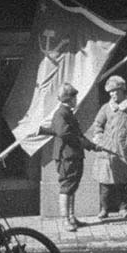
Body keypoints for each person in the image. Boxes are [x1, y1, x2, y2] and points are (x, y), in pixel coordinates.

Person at [40, 82, 101, 232]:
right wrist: (86, 144)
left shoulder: (66, 113)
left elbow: (73, 134)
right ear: (69, 98)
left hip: (72, 155)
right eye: (75, 97)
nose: (76, 100)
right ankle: (65, 220)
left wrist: (92, 146)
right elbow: (64, 133)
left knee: (72, 186)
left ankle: (72, 217)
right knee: (66, 187)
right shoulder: (61, 113)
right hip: (66, 156)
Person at [90, 75, 127, 222]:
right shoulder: (105, 108)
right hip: (108, 150)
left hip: (125, 150)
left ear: (122, 90)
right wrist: (100, 138)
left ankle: (124, 209)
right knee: (105, 181)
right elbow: (97, 125)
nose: (112, 94)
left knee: (124, 182)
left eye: (115, 91)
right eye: (110, 92)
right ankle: (104, 209)